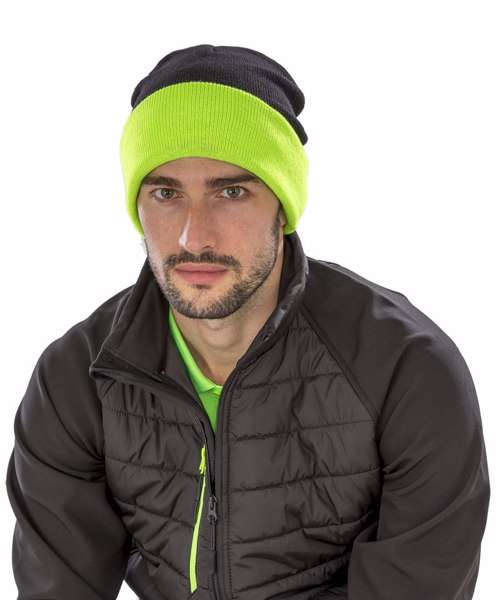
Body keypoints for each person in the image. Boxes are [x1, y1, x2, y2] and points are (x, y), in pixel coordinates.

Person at [6, 44, 490, 600]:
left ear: (283, 206)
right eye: (165, 193)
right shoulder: (78, 377)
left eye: (231, 192)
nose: (193, 236)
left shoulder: (405, 368)